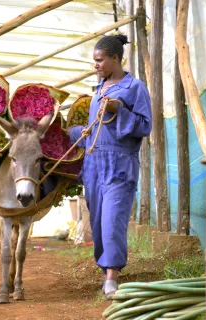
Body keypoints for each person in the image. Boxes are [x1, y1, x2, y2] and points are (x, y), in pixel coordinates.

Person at [68, 34, 152, 298]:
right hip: (94, 164)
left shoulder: (134, 87)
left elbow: (145, 125)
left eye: (100, 60)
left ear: (116, 58)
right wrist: (69, 132)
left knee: (113, 219)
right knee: (97, 221)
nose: (96, 65)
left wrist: (119, 110)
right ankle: (106, 270)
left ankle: (112, 278)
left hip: (119, 164)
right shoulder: (99, 89)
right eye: (94, 61)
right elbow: (94, 132)